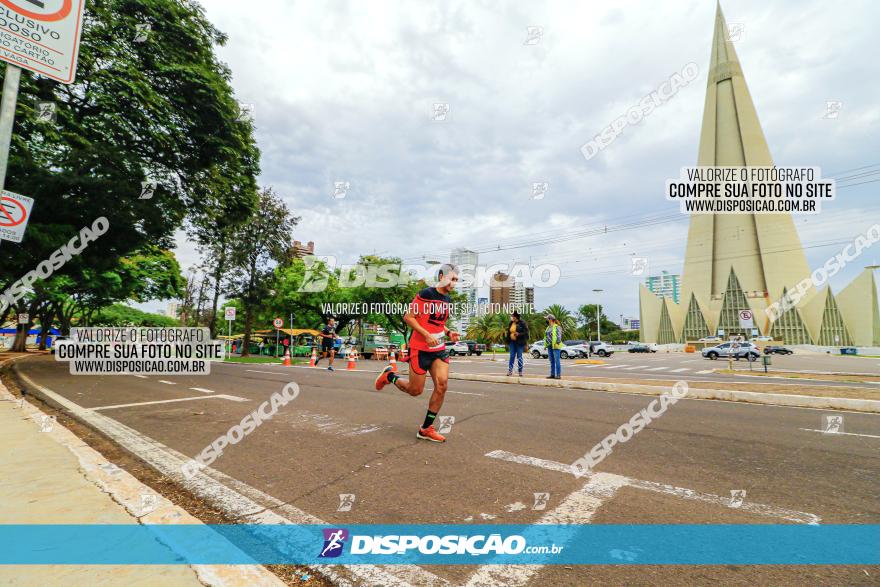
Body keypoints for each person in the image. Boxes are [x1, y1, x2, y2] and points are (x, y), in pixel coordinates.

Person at [374, 264, 460, 443]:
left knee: (442, 385)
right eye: (451, 279)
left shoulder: (447, 300)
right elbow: (409, 317)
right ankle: (390, 376)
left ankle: (426, 429)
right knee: (415, 391)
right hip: (420, 349)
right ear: (442, 276)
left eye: (456, 280)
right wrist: (426, 335)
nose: (453, 283)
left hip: (439, 349)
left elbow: (437, 323)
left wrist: (449, 332)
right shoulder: (426, 294)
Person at [507, 311, 529, 376]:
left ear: (516, 317)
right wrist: (507, 340)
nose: (512, 317)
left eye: (513, 316)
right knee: (512, 356)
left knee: (519, 357)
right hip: (512, 342)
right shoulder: (511, 323)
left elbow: (526, 332)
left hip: (519, 342)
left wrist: (518, 334)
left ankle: (520, 371)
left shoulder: (522, 323)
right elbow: (508, 332)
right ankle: (510, 371)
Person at [545, 314, 563, 379]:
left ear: (550, 319)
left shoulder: (557, 327)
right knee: (551, 361)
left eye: (547, 319)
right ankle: (552, 374)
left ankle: (558, 375)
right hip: (549, 346)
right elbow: (546, 337)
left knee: (557, 360)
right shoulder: (548, 327)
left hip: (555, 346)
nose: (546, 320)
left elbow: (559, 336)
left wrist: (557, 343)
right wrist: (545, 345)